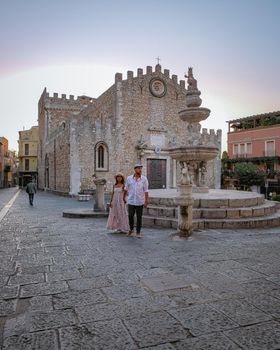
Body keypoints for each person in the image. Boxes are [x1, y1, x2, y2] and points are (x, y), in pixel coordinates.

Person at [125, 164, 149, 238]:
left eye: (141, 168)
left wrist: (146, 201)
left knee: (139, 217)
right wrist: (125, 197)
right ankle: (131, 229)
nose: (140, 170)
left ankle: (138, 232)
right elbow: (126, 188)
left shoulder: (144, 179)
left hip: (140, 201)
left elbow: (146, 191)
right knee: (130, 216)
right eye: (138, 168)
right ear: (135, 169)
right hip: (131, 201)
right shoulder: (129, 178)